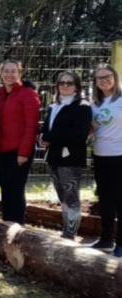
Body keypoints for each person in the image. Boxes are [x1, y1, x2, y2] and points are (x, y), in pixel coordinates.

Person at [39, 71, 92, 240]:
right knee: (63, 196)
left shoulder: (82, 106)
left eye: (69, 83)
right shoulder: (55, 105)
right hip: (54, 156)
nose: (65, 86)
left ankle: (70, 235)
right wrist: (42, 137)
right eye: (62, 82)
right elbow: (49, 128)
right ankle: (66, 231)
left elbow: (79, 134)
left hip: (71, 158)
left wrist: (48, 138)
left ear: (77, 86)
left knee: (71, 197)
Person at [0, 60, 40, 225]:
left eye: (13, 71)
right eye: (6, 71)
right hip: (0, 150)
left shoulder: (28, 93)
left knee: (16, 189)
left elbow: (31, 125)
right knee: (5, 188)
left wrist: (23, 153)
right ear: (1, 73)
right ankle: (7, 224)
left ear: (20, 74)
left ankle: (17, 226)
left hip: (19, 150)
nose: (9, 75)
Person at [90, 64, 122, 256]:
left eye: (107, 76)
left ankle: (121, 244)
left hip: (120, 156)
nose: (104, 80)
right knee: (105, 199)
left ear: (115, 77)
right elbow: (90, 129)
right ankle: (105, 239)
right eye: (99, 78)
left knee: (120, 200)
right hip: (100, 156)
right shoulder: (94, 104)